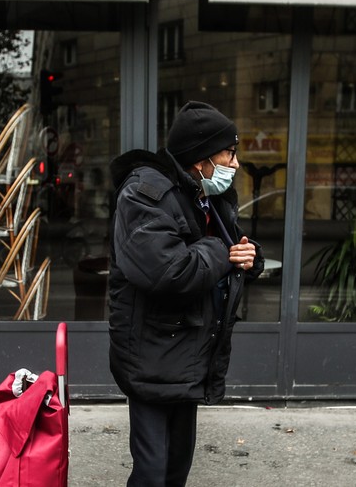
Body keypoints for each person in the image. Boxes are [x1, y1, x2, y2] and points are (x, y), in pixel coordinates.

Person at [108, 101, 264, 487]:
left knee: (176, 468)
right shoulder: (144, 194)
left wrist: (249, 258)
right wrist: (221, 253)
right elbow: (169, 271)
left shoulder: (206, 196)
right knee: (152, 473)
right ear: (200, 158)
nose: (236, 163)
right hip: (151, 352)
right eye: (229, 153)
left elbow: (228, 250)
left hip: (187, 352)